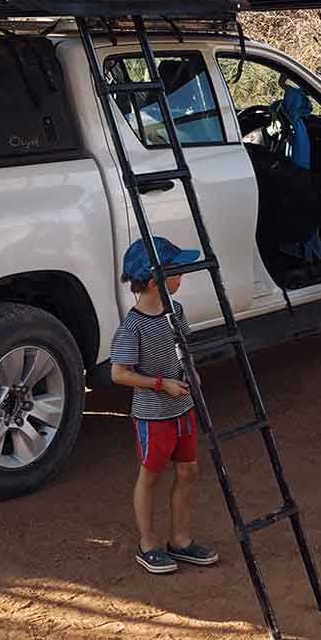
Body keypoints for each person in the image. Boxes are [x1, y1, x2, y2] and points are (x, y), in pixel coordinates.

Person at [109, 236, 221, 575]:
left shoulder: (177, 312)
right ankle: (148, 544)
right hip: (153, 415)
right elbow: (119, 373)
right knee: (151, 476)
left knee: (188, 471)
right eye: (177, 270)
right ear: (157, 278)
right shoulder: (133, 326)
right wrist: (161, 384)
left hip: (181, 409)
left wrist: (190, 371)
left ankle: (181, 540)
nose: (182, 275)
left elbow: (182, 348)